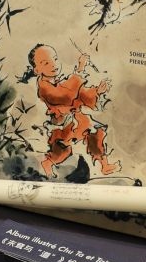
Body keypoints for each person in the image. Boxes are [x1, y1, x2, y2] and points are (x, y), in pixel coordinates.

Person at [29, 43, 121, 178]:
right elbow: (66, 95)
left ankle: (104, 165)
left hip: (77, 119)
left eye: (55, 59)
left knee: (96, 133)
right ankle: (48, 163)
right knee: (62, 150)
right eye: (46, 63)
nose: (53, 64)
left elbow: (79, 94)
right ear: (37, 70)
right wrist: (80, 69)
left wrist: (97, 91)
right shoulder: (44, 87)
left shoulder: (58, 81)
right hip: (63, 124)